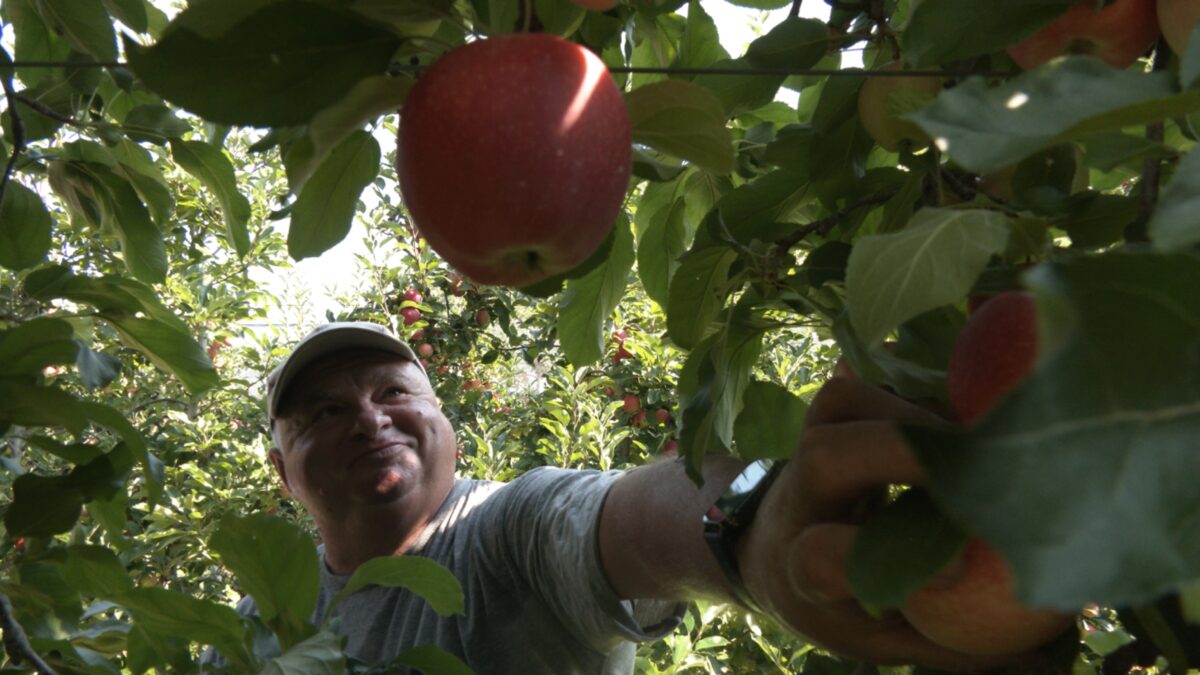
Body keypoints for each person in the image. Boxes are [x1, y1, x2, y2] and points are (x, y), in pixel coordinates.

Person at [232, 321, 1021, 673]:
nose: (370, 418)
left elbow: (623, 518)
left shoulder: (500, 528)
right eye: (327, 412)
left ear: (448, 425)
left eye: (393, 392)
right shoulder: (260, 623)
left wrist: (753, 525)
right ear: (281, 469)